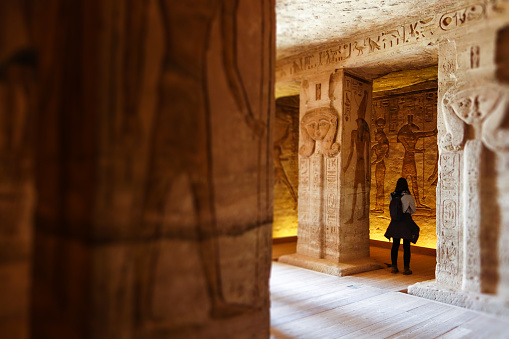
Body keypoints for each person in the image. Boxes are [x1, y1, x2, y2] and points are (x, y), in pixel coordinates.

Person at [384, 177, 419, 275]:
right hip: (405, 222)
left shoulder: (392, 195)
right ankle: (406, 268)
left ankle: (394, 267)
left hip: (395, 222)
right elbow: (413, 210)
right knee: (406, 246)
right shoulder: (408, 196)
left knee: (395, 245)